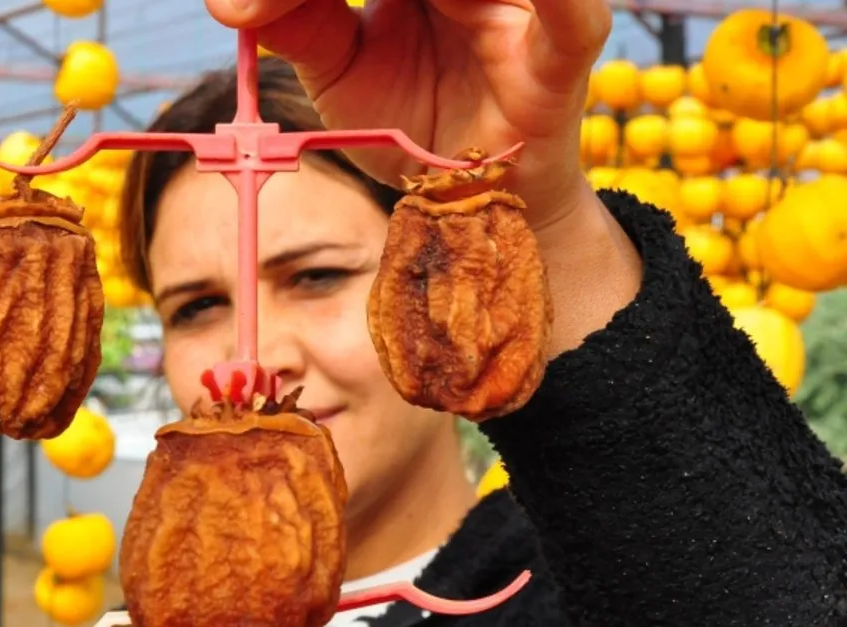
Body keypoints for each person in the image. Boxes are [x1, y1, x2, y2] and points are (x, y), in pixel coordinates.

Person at [115, 1, 847, 625]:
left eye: (316, 276)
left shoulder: (569, 593)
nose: (255, 357)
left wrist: (539, 212)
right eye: (196, 306)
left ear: (433, 283)